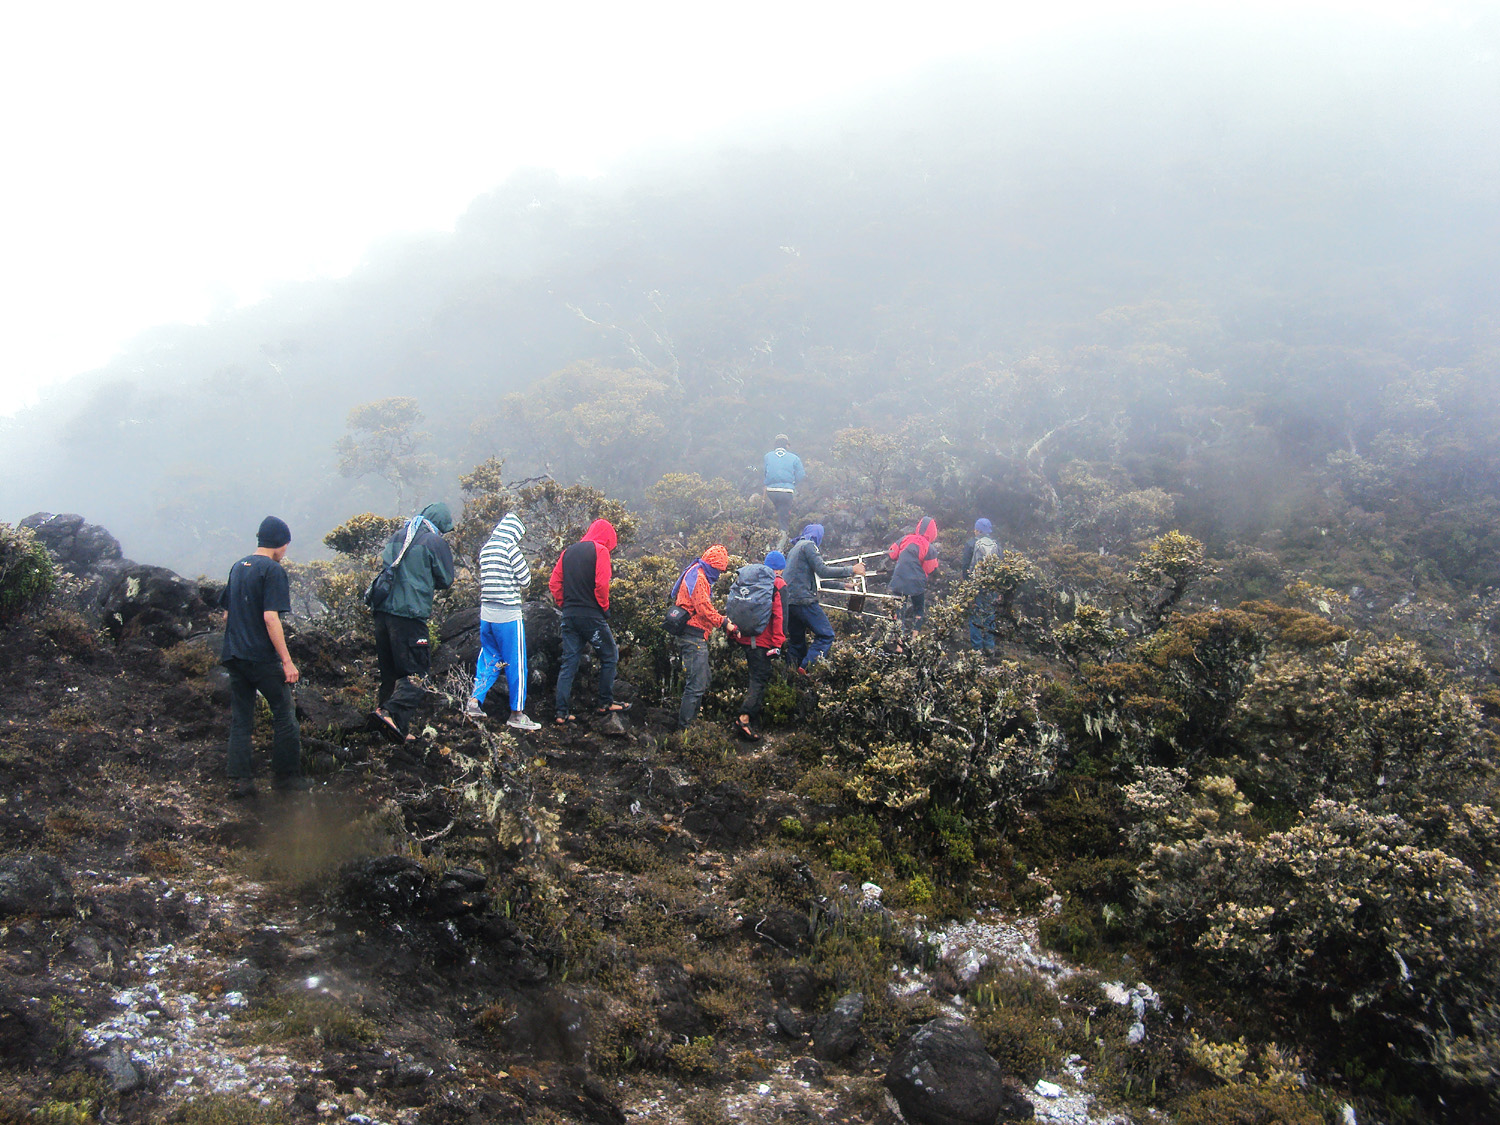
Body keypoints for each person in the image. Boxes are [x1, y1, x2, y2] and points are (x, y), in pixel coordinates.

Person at [220, 516, 308, 796]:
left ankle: (239, 781)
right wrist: (287, 660)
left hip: (235, 655)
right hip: (262, 658)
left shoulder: (238, 567)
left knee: (241, 718)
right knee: (284, 714)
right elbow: (271, 617)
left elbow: (226, 614)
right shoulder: (272, 570)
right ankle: (286, 781)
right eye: (286, 546)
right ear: (280, 544)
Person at [370, 503, 455, 743]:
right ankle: (390, 714)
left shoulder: (398, 535)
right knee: (418, 674)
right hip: (409, 615)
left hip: (382, 612)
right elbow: (446, 578)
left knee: (390, 673)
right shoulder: (433, 542)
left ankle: (389, 730)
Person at [465, 513, 542, 731]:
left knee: (490, 658)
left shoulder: (486, 548)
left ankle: (474, 702)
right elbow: (526, 580)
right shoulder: (510, 548)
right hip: (508, 617)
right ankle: (516, 714)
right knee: (514, 664)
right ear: (514, 532)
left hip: (486, 615)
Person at [549, 519, 629, 724]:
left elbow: (554, 582)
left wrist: (564, 604)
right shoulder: (600, 551)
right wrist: (604, 608)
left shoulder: (568, 552)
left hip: (569, 615)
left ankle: (561, 712)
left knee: (569, 662)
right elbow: (601, 584)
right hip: (590, 616)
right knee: (610, 655)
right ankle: (605, 702)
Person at [781, 523, 865, 670]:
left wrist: (843, 585)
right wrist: (852, 569)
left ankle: (789, 676)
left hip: (789, 602)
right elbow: (823, 571)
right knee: (826, 635)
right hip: (804, 600)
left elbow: (812, 579)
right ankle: (807, 669)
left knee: (797, 643)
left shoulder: (795, 549)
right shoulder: (809, 545)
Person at [671, 543, 731, 730]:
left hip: (693, 635)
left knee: (701, 681)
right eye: (718, 570)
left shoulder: (696, 571)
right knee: (696, 684)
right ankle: (685, 729)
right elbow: (703, 607)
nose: (718, 575)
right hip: (693, 635)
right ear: (712, 565)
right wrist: (723, 622)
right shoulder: (699, 577)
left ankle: (691, 724)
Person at [731, 550, 786, 740]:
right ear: (780, 569)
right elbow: (779, 616)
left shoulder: (751, 581)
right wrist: (778, 643)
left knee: (753, 676)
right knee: (759, 679)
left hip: (744, 637)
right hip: (763, 642)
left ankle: (747, 717)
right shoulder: (777, 584)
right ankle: (743, 719)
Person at [888, 517, 941, 635]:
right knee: (919, 609)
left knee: (898, 609)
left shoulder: (905, 539)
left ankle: (898, 642)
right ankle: (914, 637)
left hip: (899, 579)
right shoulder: (930, 548)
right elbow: (929, 568)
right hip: (916, 583)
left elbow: (891, 554)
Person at [960, 518, 1000, 652]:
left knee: (975, 615)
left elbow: (965, 566)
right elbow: (1001, 568)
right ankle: (990, 646)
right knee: (990, 615)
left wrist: (966, 586)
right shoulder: (996, 545)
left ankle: (976, 648)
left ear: (977, 530)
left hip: (975, 585)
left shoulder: (971, 544)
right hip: (991, 585)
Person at [763, 435, 806, 540]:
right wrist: (793, 484)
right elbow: (801, 474)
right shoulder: (794, 458)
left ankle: (767, 541)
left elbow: (765, 472)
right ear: (787, 445)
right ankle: (781, 545)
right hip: (786, 491)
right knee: (783, 518)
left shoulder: (768, 456)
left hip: (771, 491)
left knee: (771, 518)